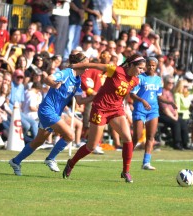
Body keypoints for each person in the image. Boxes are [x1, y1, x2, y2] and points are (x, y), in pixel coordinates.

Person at [62, 54, 146, 183]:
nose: (142, 71)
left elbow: (122, 95)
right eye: (140, 68)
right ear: (131, 65)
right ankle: (71, 163)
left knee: (128, 138)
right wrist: (75, 66)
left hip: (116, 110)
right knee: (91, 146)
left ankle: (126, 171)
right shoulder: (115, 70)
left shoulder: (135, 80)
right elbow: (93, 65)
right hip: (100, 109)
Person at [8, 53, 95, 176]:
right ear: (79, 63)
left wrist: (95, 97)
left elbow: (80, 101)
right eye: (86, 62)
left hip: (54, 112)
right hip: (47, 110)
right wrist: (54, 84)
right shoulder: (66, 73)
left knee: (38, 141)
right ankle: (50, 158)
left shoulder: (78, 80)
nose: (88, 66)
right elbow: (48, 79)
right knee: (70, 135)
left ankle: (15, 161)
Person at [130, 57, 174, 170]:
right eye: (149, 65)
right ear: (146, 66)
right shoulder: (140, 78)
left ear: (156, 66)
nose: (151, 67)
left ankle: (146, 163)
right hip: (140, 109)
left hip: (153, 110)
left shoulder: (158, 79)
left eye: (153, 65)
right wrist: (142, 101)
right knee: (137, 136)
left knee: (150, 137)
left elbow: (159, 96)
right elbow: (132, 94)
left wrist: (170, 102)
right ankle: (127, 159)